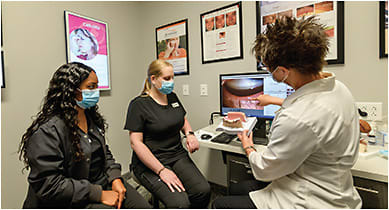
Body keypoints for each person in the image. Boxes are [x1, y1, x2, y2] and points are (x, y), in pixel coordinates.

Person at [213, 16, 362, 209]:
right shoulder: (339, 89)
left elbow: (264, 170)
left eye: (269, 70)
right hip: (337, 189)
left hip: (308, 199)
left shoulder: (296, 117)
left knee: (220, 204)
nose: (270, 74)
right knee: (238, 189)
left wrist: (248, 147)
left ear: (282, 71)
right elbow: (309, 110)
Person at [19, 62, 151, 209]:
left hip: (101, 182)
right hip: (71, 198)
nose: (96, 92)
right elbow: (49, 185)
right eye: (90, 87)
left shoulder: (89, 117)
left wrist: (115, 178)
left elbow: (104, 153)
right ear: (70, 90)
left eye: (97, 86)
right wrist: (98, 194)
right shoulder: (48, 131)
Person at [124, 59, 211, 208]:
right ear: (153, 79)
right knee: (180, 203)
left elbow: (182, 119)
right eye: (166, 78)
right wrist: (161, 170)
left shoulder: (172, 97)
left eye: (172, 77)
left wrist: (189, 134)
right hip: (150, 162)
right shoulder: (138, 105)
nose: (171, 82)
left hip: (176, 155)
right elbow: (136, 143)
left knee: (203, 191)